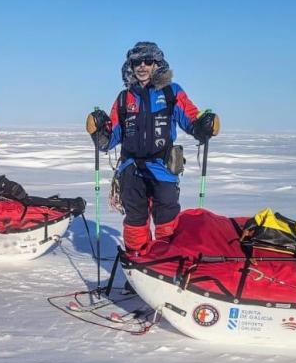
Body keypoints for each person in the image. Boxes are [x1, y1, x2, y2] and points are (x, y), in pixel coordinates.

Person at [86, 41, 219, 253]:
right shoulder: (123, 99)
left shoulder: (171, 93)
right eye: (137, 62)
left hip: (163, 168)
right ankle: (137, 264)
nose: (142, 66)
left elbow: (192, 121)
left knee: (167, 222)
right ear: (130, 65)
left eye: (148, 61)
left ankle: (168, 265)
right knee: (135, 222)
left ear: (157, 64)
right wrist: (98, 131)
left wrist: (205, 125)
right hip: (131, 169)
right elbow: (110, 141)